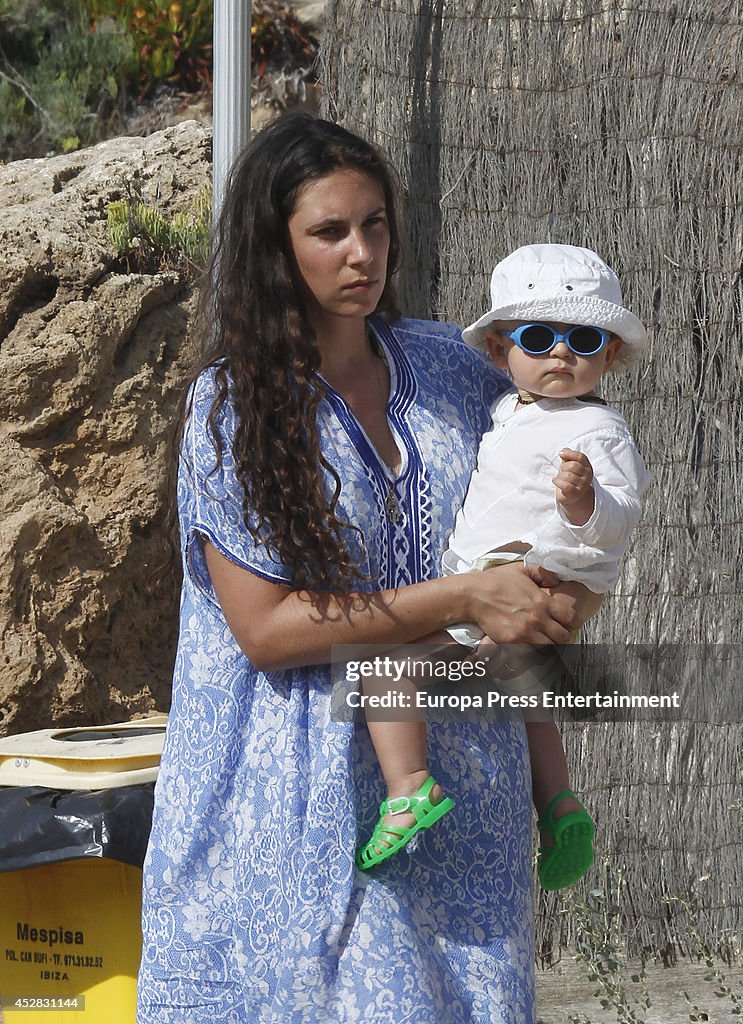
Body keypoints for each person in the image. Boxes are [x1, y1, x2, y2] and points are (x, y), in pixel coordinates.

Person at [136, 115, 601, 1024]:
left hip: (462, 782)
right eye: (329, 231)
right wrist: (463, 595)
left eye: (375, 224)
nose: (362, 253)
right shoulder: (234, 411)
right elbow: (266, 630)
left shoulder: (455, 369)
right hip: (291, 789)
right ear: (275, 249)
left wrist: (553, 595)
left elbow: (548, 497)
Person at [356, 245, 650, 885]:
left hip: (524, 581)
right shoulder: (507, 411)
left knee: (384, 669)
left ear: (610, 355)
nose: (561, 353)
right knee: (526, 696)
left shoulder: (600, 431)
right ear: (498, 351)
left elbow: (622, 517)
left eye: (583, 340)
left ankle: (408, 787)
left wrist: (586, 503)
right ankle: (560, 804)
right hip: (505, 584)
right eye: (538, 338)